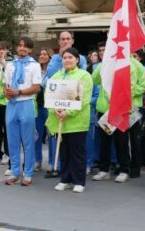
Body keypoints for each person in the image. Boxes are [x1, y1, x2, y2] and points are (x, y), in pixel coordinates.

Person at [91, 44, 145, 183]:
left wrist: (124, 94)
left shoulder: (136, 65)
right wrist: (104, 64)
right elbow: (95, 80)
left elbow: (143, 86)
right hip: (105, 109)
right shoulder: (106, 63)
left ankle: (124, 169)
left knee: (121, 141)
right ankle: (104, 170)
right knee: (104, 141)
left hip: (123, 109)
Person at [47, 48, 94, 193]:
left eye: (70, 57)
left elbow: (84, 99)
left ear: (77, 60)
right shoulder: (56, 76)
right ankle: (65, 179)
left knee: (77, 152)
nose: (67, 60)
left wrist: (68, 112)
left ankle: (79, 181)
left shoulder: (84, 76)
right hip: (60, 122)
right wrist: (54, 110)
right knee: (64, 152)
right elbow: (49, 96)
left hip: (77, 122)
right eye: (65, 57)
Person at [3, 37, 44, 186]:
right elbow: (5, 84)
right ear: (16, 47)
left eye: (25, 46)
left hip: (26, 104)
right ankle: (14, 172)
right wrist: (7, 93)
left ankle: (28, 174)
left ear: (30, 49)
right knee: (12, 141)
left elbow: (36, 88)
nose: (22, 48)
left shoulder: (35, 65)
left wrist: (18, 92)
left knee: (28, 142)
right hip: (11, 105)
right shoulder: (10, 65)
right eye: (20, 45)